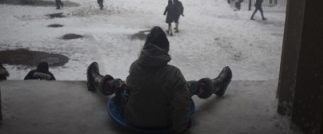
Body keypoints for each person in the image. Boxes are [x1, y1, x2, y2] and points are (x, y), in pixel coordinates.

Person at [87, 26, 232, 133]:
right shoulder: (174, 74)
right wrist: (180, 129)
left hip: (134, 120)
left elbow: (134, 90)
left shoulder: (135, 67)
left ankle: (96, 79)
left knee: (119, 84)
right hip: (164, 122)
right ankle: (217, 85)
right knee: (190, 86)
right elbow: (181, 106)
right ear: (165, 50)